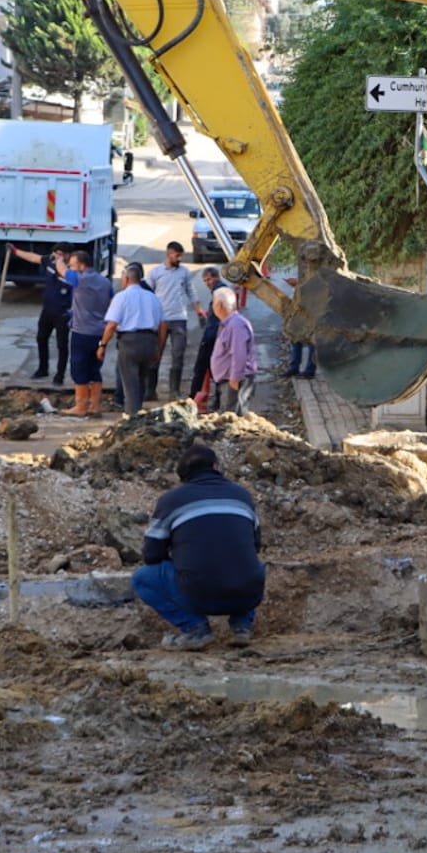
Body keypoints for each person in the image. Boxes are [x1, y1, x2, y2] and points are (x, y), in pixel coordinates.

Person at [131, 442, 265, 651]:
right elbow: (255, 545)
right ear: (216, 467)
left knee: (142, 578)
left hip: (199, 596)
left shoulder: (171, 500)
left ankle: (196, 630)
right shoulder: (242, 495)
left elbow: (151, 554)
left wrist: (181, 558)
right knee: (248, 564)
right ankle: (242, 627)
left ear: (183, 476)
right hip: (247, 595)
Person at [98, 261, 167, 415]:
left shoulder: (122, 297)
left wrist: (102, 345)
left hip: (129, 343)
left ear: (127, 279)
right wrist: (159, 349)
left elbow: (111, 325)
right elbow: (163, 326)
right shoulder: (153, 298)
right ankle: (138, 413)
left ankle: (132, 417)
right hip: (150, 342)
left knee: (130, 386)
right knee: (141, 382)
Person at [11, 245, 75, 385]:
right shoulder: (50, 261)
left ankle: (59, 375)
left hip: (63, 313)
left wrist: (60, 262)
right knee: (41, 338)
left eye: (61, 254)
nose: (57, 256)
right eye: (56, 253)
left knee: (61, 344)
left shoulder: (72, 271)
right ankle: (42, 368)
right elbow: (34, 257)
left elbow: (63, 272)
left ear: (69, 255)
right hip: (47, 310)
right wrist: (16, 251)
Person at [65, 249, 115, 417]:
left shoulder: (80, 279)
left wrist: (58, 259)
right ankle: (95, 406)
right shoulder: (105, 282)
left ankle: (81, 406)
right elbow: (112, 303)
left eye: (72, 265)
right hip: (100, 333)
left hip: (81, 332)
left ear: (81, 265)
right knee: (95, 369)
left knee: (79, 369)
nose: (70, 268)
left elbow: (62, 272)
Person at [149, 240, 196, 400]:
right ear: (169, 254)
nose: (180, 259)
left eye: (181, 256)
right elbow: (148, 293)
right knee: (155, 355)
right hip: (160, 320)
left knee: (178, 355)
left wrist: (199, 310)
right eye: (177, 256)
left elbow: (191, 292)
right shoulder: (156, 272)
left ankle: (174, 391)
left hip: (179, 318)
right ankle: (150, 391)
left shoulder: (184, 272)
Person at [208, 286, 256, 414]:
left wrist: (235, 379)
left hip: (234, 381)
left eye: (213, 302)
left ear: (220, 305)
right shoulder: (229, 323)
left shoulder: (236, 325)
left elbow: (239, 354)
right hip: (228, 380)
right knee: (228, 417)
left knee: (232, 418)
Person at [190, 266, 224, 408]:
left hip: (213, 337)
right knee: (216, 370)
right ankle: (217, 400)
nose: (207, 283)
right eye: (205, 281)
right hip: (218, 336)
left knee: (201, 369)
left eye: (209, 279)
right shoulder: (221, 291)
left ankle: (192, 399)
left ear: (216, 277)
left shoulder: (219, 292)